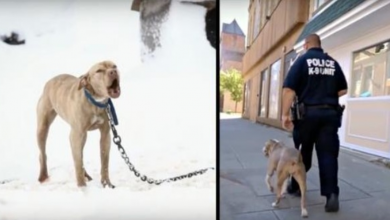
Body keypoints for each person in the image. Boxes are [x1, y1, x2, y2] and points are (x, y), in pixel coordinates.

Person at [281, 33, 348, 212]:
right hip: (329, 115)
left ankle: (295, 186)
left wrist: (285, 114)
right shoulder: (332, 62)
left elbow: (288, 89)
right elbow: (343, 90)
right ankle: (332, 195)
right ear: (319, 44)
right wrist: (326, 92)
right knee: (328, 155)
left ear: (307, 45)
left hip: (307, 116)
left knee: (303, 154)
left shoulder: (302, 61)